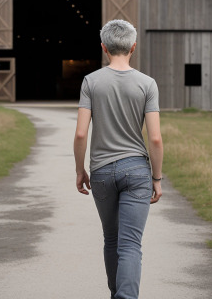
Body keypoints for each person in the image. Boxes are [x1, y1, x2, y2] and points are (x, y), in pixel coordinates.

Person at [73, 19, 163, 299]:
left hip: (100, 171)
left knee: (111, 240)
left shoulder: (91, 82)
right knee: (130, 244)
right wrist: (157, 179)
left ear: (104, 48)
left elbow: (79, 134)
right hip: (136, 171)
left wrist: (80, 170)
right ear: (133, 46)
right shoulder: (147, 84)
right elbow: (156, 139)